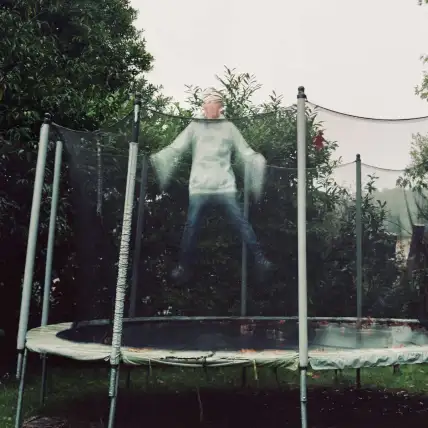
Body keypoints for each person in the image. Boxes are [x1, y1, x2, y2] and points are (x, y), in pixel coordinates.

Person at [150, 88, 273, 284]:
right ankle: (183, 267)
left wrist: (257, 160)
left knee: (241, 222)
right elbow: (177, 146)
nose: (209, 108)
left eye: (213, 104)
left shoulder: (229, 127)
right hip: (200, 186)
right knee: (191, 226)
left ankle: (260, 259)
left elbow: (245, 151)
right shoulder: (195, 126)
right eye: (207, 104)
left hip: (224, 185)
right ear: (203, 106)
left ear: (219, 106)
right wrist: (161, 156)